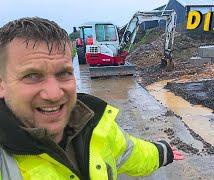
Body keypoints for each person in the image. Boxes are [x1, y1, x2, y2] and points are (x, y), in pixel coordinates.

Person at [0, 17, 183, 180]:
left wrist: (162, 152)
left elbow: (131, 152)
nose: (54, 94)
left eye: (64, 73)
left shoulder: (96, 126)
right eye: (32, 76)